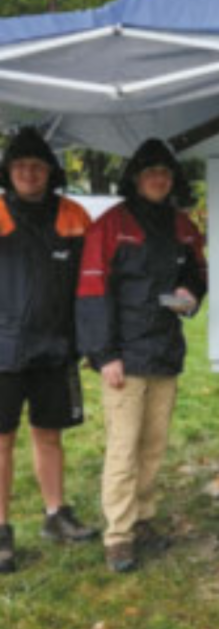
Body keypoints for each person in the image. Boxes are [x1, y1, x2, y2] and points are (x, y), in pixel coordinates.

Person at [76, 139, 207, 574]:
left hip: (165, 351)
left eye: (165, 173)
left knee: (153, 445)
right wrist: (104, 354)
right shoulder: (111, 225)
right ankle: (118, 535)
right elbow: (92, 291)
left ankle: (143, 519)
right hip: (123, 358)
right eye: (150, 171)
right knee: (123, 447)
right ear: (135, 177)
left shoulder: (182, 225)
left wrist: (191, 291)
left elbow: (196, 270)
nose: (158, 178)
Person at [0, 127, 98, 574]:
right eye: (20, 165)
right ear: (8, 171)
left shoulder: (74, 216)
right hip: (3, 351)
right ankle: (1, 531)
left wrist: (87, 339)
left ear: (50, 171)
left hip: (56, 348)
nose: (28, 172)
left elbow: (93, 280)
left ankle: (56, 515)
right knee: (2, 441)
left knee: (50, 434)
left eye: (37, 165)